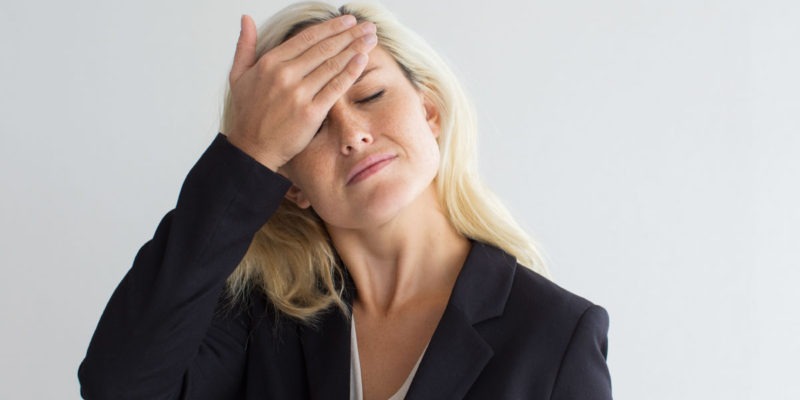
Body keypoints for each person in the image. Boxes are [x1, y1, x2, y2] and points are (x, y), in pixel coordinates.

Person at [78, 2, 612, 399]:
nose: (353, 134)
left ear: (430, 114)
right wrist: (245, 151)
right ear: (288, 183)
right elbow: (119, 387)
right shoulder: (257, 322)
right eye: (310, 127)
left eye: (371, 95)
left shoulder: (555, 333)